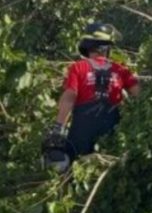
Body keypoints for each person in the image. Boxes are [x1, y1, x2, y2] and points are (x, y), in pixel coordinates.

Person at [43, 22, 140, 170]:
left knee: (69, 169)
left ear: (87, 45)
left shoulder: (78, 67)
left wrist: (58, 127)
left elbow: (70, 96)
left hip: (82, 131)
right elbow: (140, 95)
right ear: (108, 47)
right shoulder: (121, 70)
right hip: (111, 131)